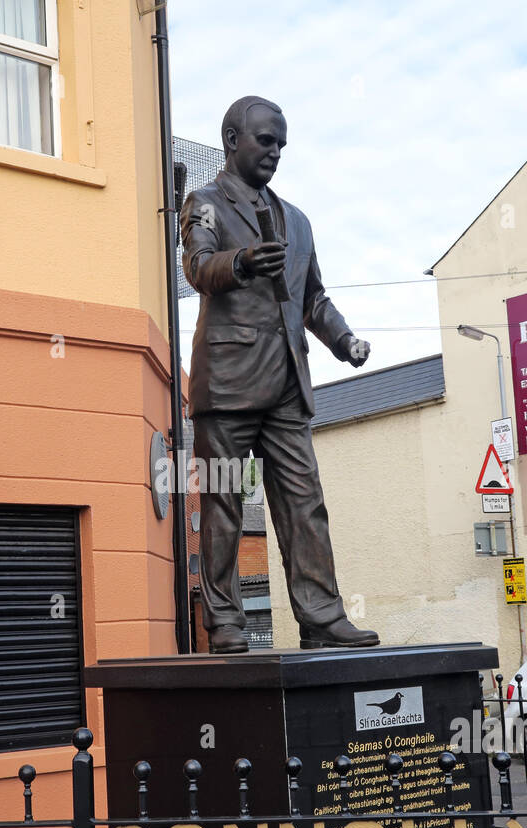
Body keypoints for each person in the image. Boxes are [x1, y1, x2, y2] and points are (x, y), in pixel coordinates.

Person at [180, 96, 379, 654]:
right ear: (231, 138)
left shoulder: (298, 220)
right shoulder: (204, 203)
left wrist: (344, 339)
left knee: (303, 501)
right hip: (228, 380)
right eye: (265, 140)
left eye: (281, 145)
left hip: (289, 383)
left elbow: (312, 297)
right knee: (223, 504)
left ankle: (321, 616)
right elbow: (197, 266)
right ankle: (226, 624)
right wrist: (239, 263)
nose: (274, 152)